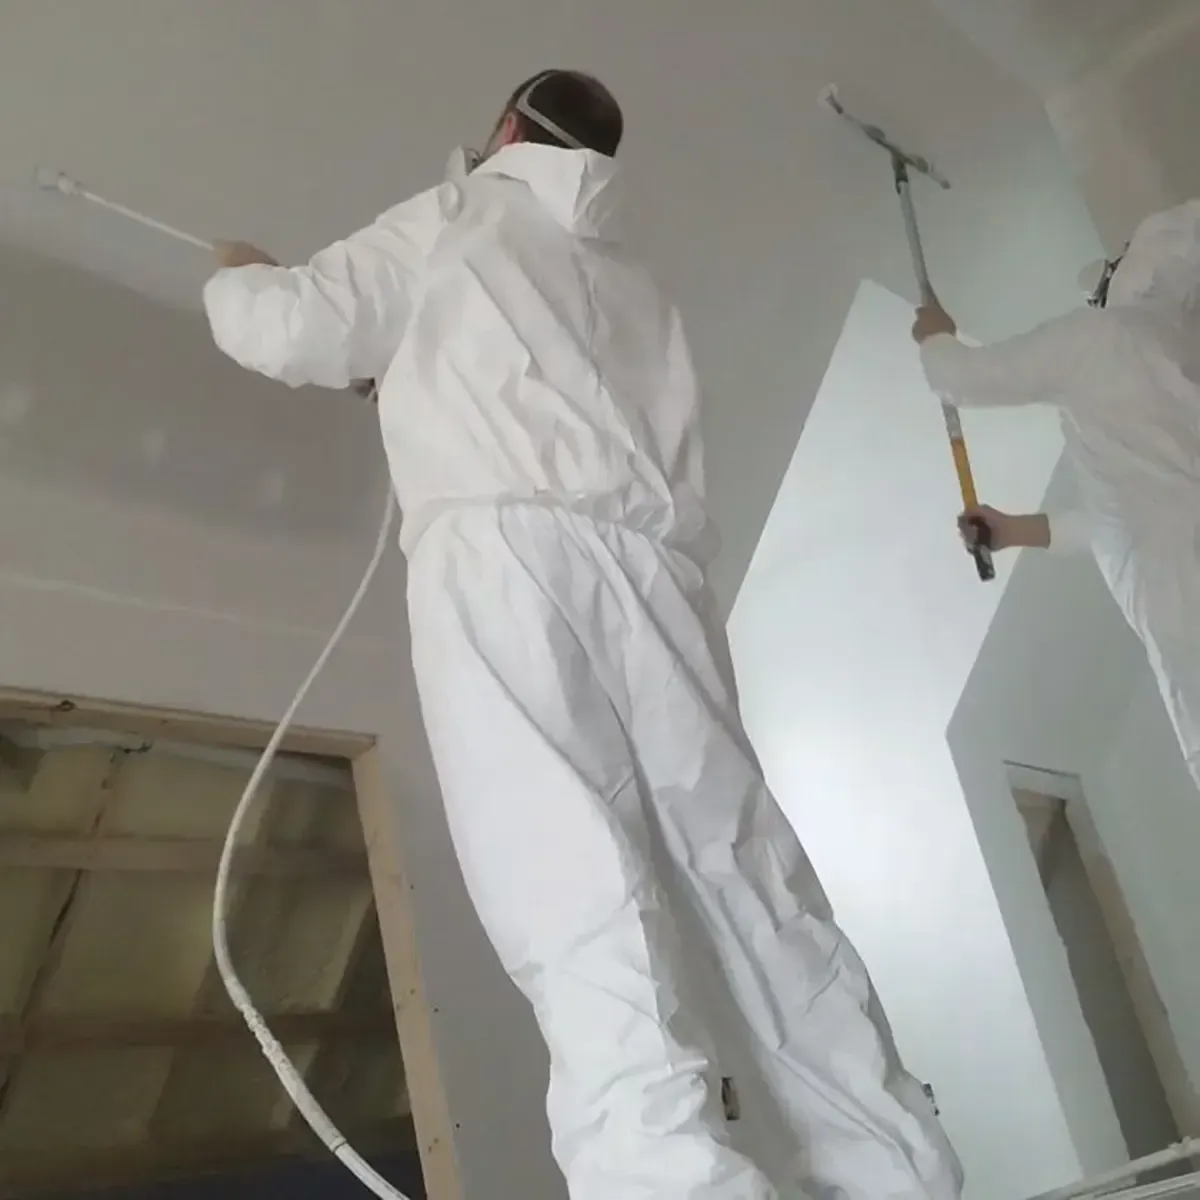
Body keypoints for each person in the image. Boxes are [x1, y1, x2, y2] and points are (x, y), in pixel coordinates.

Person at [204, 68, 962, 1200]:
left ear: (506, 127)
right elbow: (548, 398)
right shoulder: (634, 280)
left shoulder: (458, 212)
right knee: (745, 875)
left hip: (505, 565)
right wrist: (422, 386)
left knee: (566, 874)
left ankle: (669, 1181)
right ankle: (893, 1167)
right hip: (658, 589)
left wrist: (238, 275)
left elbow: (292, 329)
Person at [912, 199, 1200, 793]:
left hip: (1176, 592)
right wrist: (1016, 530)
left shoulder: (1101, 336)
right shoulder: (1179, 354)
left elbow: (962, 379)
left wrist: (934, 337)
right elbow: (1121, 517)